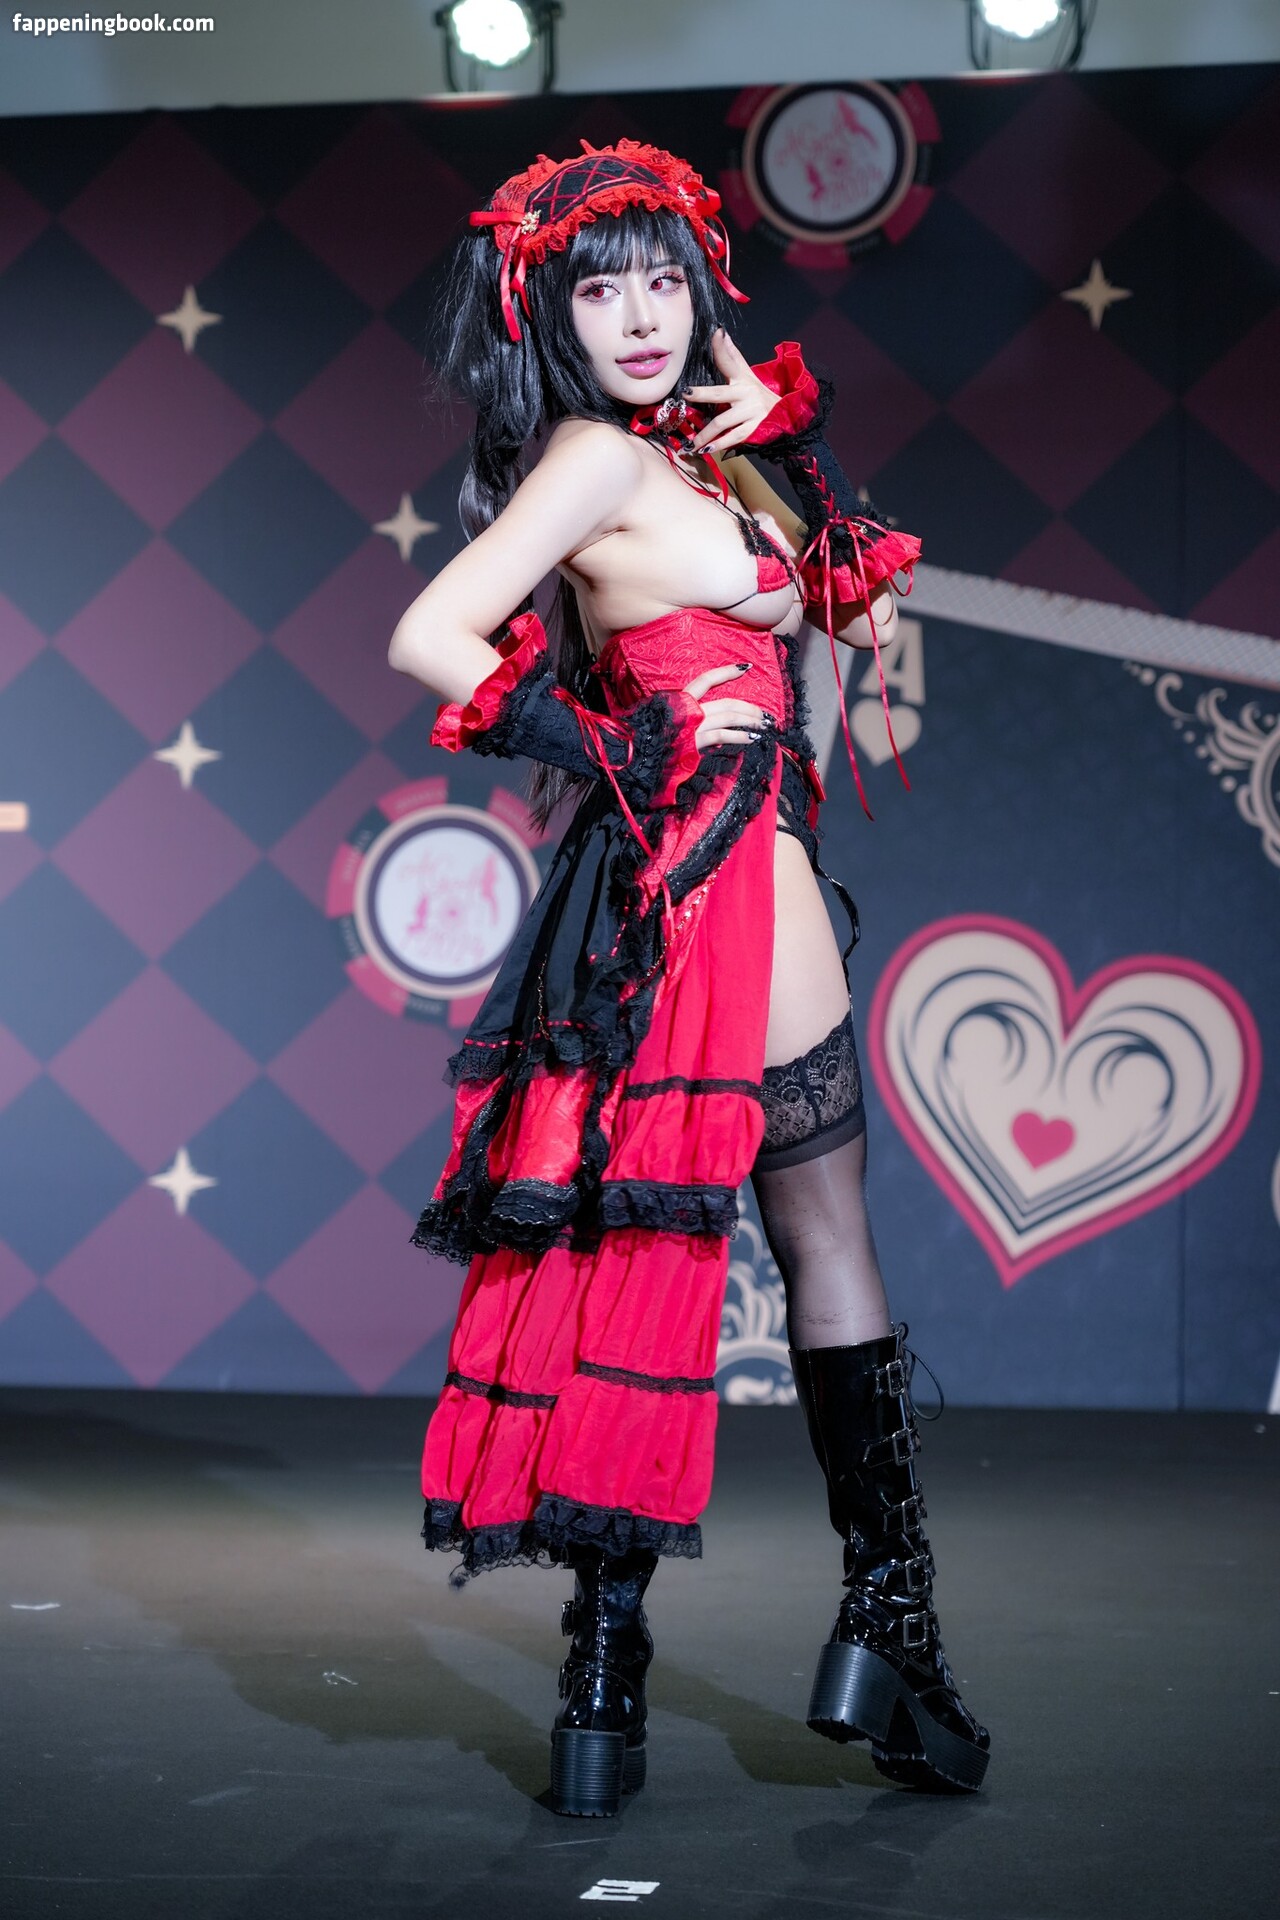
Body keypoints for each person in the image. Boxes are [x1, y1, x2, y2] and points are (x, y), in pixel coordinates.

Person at [387, 140, 989, 1815]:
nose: (644, 316)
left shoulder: (700, 456)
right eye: (603, 286)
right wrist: (617, 742)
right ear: (551, 311)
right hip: (709, 864)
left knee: (668, 1242)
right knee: (797, 1236)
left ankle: (610, 1680)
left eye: (668, 278)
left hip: (704, 870)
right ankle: (884, 1625)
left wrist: (782, 444)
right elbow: (434, 635)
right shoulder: (592, 455)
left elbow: (848, 622)